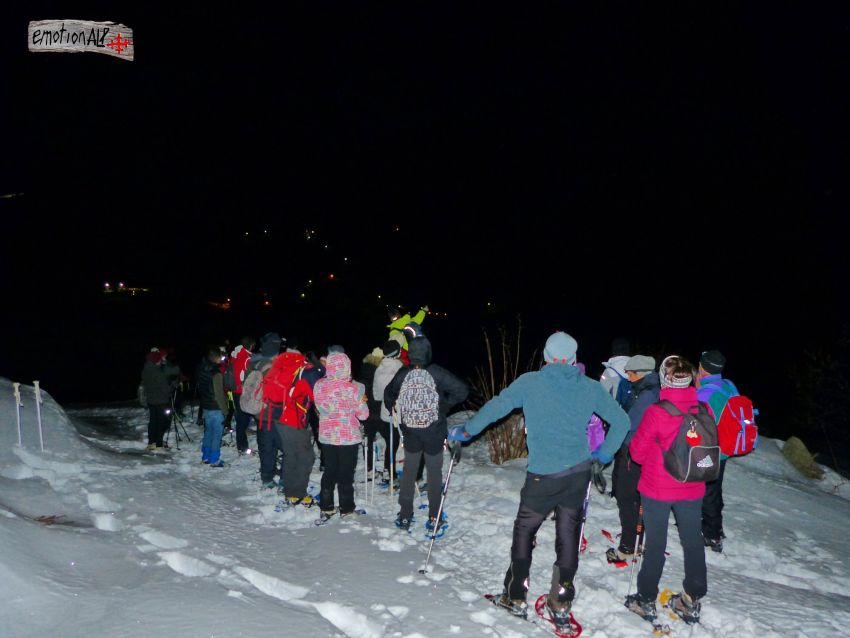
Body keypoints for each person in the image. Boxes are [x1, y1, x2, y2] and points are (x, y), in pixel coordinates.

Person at [449, 331, 629, 631]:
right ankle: (560, 602)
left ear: (546, 356)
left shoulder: (530, 382)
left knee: (525, 532)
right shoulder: (589, 387)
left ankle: (515, 596)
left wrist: (466, 432)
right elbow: (622, 421)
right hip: (577, 476)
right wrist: (603, 455)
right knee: (569, 535)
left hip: (541, 476)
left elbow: (496, 407)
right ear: (574, 359)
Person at [626, 355, 707, 625]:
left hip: (658, 489)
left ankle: (646, 598)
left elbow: (637, 453)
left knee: (656, 544)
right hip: (693, 485)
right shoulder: (702, 408)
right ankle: (692, 598)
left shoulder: (657, 411)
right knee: (693, 540)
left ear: (665, 379)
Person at [384, 336, 468, 532]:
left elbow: (389, 396)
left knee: (409, 473)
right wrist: (443, 406)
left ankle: (405, 515)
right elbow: (462, 391)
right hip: (434, 432)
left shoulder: (403, 373)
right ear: (428, 352)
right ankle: (434, 516)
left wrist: (399, 411)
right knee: (434, 473)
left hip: (411, 432)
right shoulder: (436, 372)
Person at [606, 354, 660, 564]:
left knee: (627, 496)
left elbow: (630, 423)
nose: (627, 377)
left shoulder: (648, 395)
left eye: (631, 373)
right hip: (637, 450)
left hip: (634, 451)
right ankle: (636, 538)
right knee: (633, 496)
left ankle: (629, 545)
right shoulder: (645, 389)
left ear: (642, 374)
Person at [314, 352, 369, 521]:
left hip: (327, 436)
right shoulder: (353, 389)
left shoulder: (319, 385)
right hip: (348, 438)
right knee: (346, 474)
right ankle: (346, 508)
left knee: (330, 471)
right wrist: (361, 403)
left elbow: (319, 407)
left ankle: (326, 507)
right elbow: (364, 415)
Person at [695, 349, 732, 553]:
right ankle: (714, 528)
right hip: (724, 448)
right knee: (714, 489)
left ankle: (712, 535)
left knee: (707, 491)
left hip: (709, 449)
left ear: (701, 367)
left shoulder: (706, 393)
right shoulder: (727, 385)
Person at [274, 349, 315, 506]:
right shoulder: (306, 376)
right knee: (306, 457)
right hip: (293, 421)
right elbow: (316, 397)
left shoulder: (288, 372)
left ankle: (290, 492)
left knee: (291, 455)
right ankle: (298, 493)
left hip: (281, 418)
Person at [252, 332, 283, 488]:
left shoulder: (255, 363)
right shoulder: (276, 367)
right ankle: (284, 478)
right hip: (276, 413)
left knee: (266, 447)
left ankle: (267, 478)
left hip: (261, 413)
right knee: (285, 446)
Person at [373, 340, 404, 484]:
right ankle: (390, 473)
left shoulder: (379, 369)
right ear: (397, 352)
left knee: (390, 443)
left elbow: (377, 395)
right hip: (398, 412)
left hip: (384, 413)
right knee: (395, 443)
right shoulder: (400, 368)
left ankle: (388, 469)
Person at [197, 346, 229, 467]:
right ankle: (214, 459)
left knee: (208, 432)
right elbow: (219, 394)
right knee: (216, 434)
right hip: (216, 407)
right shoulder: (216, 373)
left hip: (206, 406)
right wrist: (225, 411)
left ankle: (205, 456)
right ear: (216, 358)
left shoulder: (201, 370)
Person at [357, 347, 385, 475]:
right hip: (379, 411)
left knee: (368, 441)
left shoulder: (361, 373)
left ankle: (369, 468)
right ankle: (387, 468)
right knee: (390, 439)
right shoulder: (380, 373)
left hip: (366, 412)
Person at [141, 348, 175, 451]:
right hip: (161, 400)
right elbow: (165, 387)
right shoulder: (158, 372)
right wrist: (172, 386)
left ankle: (151, 442)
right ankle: (158, 443)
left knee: (153, 421)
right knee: (162, 421)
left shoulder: (146, 369)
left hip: (151, 400)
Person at [230, 336, 256, 454]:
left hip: (235, 390)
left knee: (242, 417)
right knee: (242, 419)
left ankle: (241, 442)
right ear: (251, 345)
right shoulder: (246, 357)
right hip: (243, 391)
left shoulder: (235, 355)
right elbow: (245, 376)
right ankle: (242, 446)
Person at [600, 337, 631, 401]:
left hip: (616, 409)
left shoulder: (608, 372)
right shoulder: (636, 368)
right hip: (635, 409)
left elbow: (602, 394)